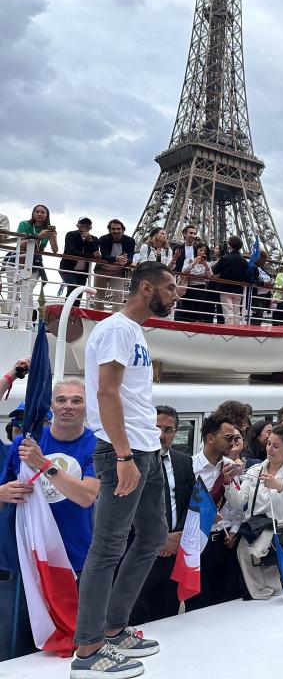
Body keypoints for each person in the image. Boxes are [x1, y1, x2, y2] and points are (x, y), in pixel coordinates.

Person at [71, 261, 179, 679]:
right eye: (170, 288)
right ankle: (87, 650)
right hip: (125, 450)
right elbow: (106, 392)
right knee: (108, 546)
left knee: (152, 535)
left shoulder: (134, 332)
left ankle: (114, 628)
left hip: (145, 447)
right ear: (146, 288)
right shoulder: (117, 329)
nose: (176, 295)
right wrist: (122, 455)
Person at [1, 378, 100, 572]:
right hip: (27, 556)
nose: (68, 406)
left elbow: (86, 496)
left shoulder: (97, 446)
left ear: (87, 406)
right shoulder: (23, 442)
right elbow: (3, 498)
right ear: (52, 406)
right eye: (61, 400)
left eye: (76, 401)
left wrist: (44, 465)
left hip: (73, 555)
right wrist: (2, 493)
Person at [130, 405, 195, 625]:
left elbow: (190, 503)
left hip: (174, 553)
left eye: (168, 429)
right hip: (139, 552)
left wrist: (178, 537)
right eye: (156, 428)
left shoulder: (184, 462)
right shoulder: (130, 462)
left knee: (168, 614)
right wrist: (159, 538)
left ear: (176, 432)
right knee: (135, 613)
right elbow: (125, 509)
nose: (161, 435)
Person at [227, 423, 283, 599]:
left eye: (276, 445)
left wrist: (280, 487)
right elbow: (240, 502)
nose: (269, 449)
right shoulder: (255, 469)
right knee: (253, 580)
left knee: (276, 585)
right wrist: (228, 484)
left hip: (279, 535)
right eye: (269, 443)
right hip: (253, 532)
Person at [187, 413, 244, 610]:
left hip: (224, 542)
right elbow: (185, 505)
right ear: (210, 438)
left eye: (235, 438)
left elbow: (238, 506)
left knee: (225, 602)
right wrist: (205, 513)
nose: (233, 442)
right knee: (197, 603)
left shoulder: (231, 467)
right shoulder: (190, 466)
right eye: (228, 438)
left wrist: (235, 529)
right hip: (198, 541)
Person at [13, 204, 58, 317]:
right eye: (37, 211)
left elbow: (55, 250)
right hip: (17, 260)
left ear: (46, 215)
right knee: (13, 290)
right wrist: (38, 236)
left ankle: (27, 321)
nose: (39, 214)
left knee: (28, 290)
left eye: (42, 212)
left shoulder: (48, 229)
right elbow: (20, 244)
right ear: (33, 213)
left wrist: (53, 237)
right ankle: (11, 317)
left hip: (35, 262)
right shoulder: (24, 224)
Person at [93, 220, 136, 313]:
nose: (116, 231)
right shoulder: (103, 239)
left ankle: (116, 317)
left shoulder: (130, 241)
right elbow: (105, 256)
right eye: (113, 229)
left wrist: (125, 260)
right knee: (99, 294)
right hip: (102, 270)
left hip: (118, 272)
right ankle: (97, 314)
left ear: (123, 230)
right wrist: (117, 258)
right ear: (109, 230)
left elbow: (130, 258)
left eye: (118, 229)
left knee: (118, 294)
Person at [211, 236, 248, 325]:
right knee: (236, 312)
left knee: (228, 312)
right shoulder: (244, 261)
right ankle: (235, 329)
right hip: (238, 290)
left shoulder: (225, 258)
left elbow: (214, 270)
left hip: (225, 288)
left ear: (229, 245)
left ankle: (229, 330)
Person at [59, 217, 99, 297]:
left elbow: (96, 255)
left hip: (83, 272)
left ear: (90, 227)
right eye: (82, 223)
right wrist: (90, 255)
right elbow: (71, 251)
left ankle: (73, 309)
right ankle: (68, 309)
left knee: (79, 293)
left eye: (87, 224)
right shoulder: (71, 235)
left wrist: (89, 240)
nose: (85, 226)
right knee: (74, 288)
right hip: (67, 269)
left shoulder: (94, 239)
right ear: (77, 225)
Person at [175, 242, 213, 322]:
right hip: (190, 288)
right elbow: (184, 271)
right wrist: (193, 263)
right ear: (196, 250)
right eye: (201, 250)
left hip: (201, 288)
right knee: (188, 309)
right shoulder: (189, 260)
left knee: (198, 310)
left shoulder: (207, 263)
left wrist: (206, 266)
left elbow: (210, 277)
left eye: (205, 251)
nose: (202, 252)